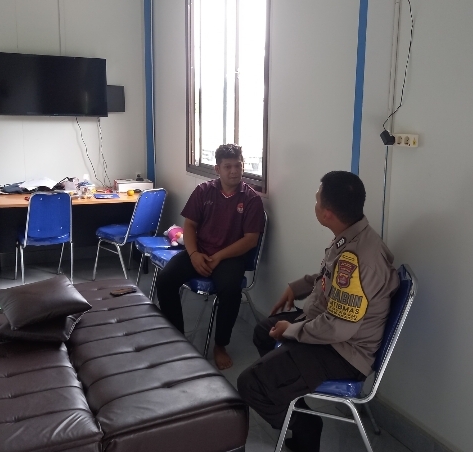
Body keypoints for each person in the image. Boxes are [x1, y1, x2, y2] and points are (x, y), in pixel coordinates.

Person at [237, 171, 399, 452]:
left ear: (327, 214)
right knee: (264, 332)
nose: (314, 204)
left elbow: (338, 327)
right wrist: (297, 287)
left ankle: (306, 426)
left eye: (316, 200)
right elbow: (330, 280)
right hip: (331, 329)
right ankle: (291, 398)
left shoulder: (357, 258)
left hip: (343, 351)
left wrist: (292, 330)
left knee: (250, 384)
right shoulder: (353, 235)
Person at [156, 143, 265, 370]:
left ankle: (220, 345)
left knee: (231, 290)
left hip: (230, 257)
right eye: (228, 166)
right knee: (166, 279)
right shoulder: (204, 191)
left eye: (238, 165)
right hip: (201, 250)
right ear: (217, 169)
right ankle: (177, 337)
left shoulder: (251, 199)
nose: (234, 171)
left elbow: (250, 240)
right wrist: (194, 254)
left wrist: (219, 257)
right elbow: (189, 226)